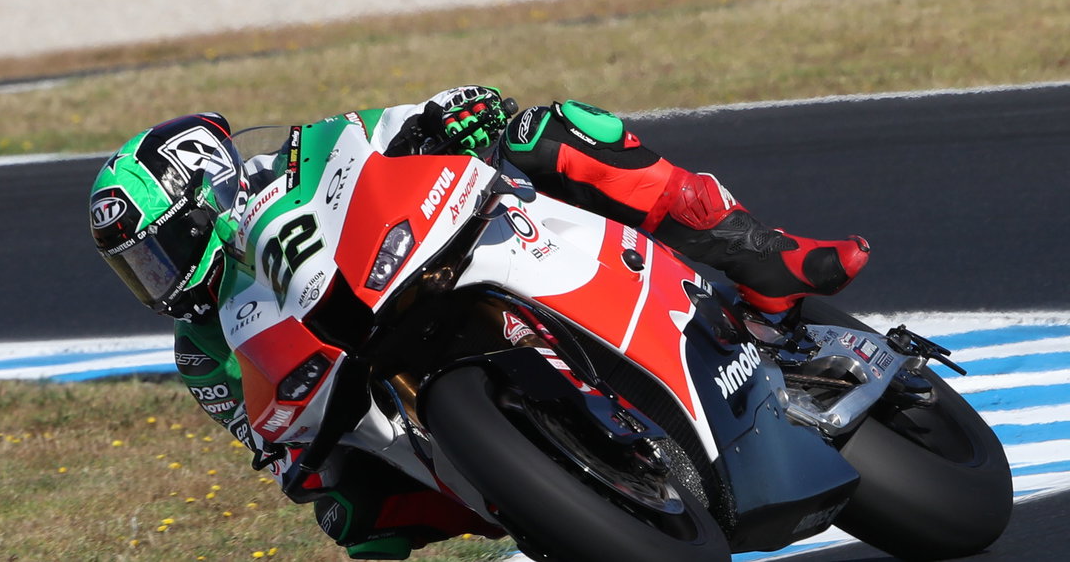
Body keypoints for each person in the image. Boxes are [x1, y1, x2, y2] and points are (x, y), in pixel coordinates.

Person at [87, 86, 869, 560]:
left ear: (204, 195)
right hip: (377, 392)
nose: (157, 279)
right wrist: (305, 469)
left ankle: (762, 255)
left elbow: (392, 130)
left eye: (159, 251)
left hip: (443, 257)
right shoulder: (202, 350)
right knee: (352, 514)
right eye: (137, 269)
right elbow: (267, 440)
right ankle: (558, 504)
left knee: (550, 130)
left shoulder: (297, 161)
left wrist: (451, 117)